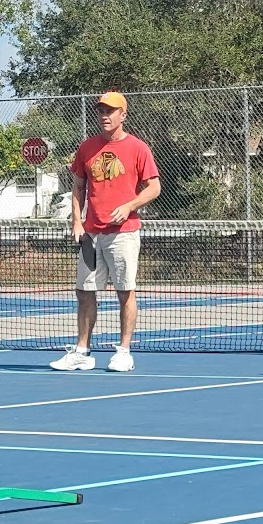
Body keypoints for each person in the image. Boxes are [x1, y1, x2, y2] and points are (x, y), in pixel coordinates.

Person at [50, 91, 160, 373]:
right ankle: (82, 352)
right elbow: (78, 187)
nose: (105, 115)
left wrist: (130, 205)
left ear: (123, 115)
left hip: (123, 233)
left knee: (125, 292)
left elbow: (154, 188)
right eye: (101, 110)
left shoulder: (138, 148)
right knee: (84, 292)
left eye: (110, 111)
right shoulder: (87, 148)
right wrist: (77, 221)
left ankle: (124, 351)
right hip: (90, 235)